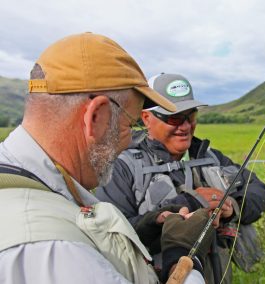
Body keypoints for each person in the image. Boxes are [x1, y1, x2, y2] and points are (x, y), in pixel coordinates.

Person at [0, 33, 214, 284]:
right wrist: (183, 256)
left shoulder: (25, 183)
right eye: (129, 124)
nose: (128, 141)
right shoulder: (55, 251)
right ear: (96, 117)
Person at [96, 73, 265, 283]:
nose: (185, 126)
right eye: (174, 117)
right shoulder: (122, 167)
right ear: (146, 118)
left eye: (191, 116)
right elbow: (109, 237)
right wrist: (191, 204)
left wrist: (231, 207)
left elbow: (259, 191)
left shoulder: (210, 157)